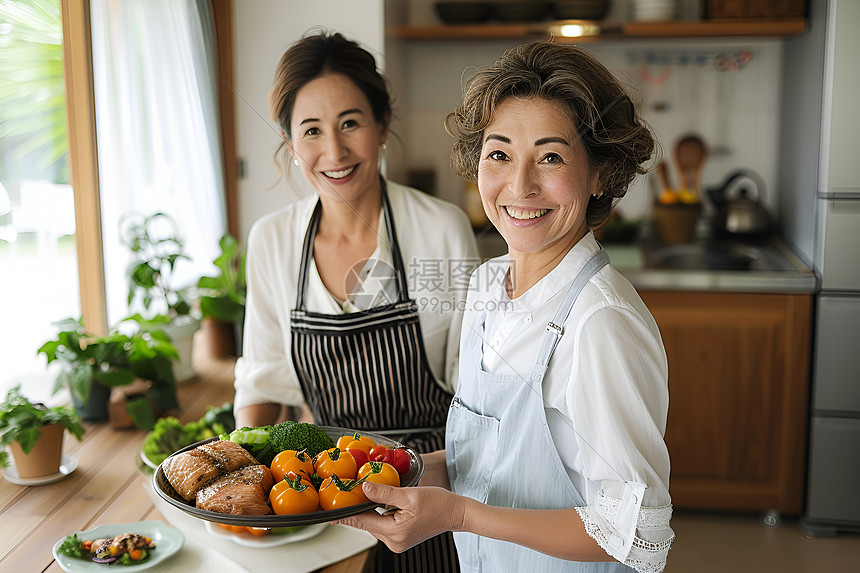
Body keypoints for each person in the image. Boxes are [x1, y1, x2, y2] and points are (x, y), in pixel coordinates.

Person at [335, 40, 675, 573]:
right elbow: (498, 458)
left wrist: (461, 516)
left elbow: (636, 532)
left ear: (601, 173)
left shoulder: (600, 323)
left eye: (551, 157)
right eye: (499, 154)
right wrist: (406, 473)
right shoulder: (489, 285)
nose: (519, 185)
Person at [232, 30, 479, 571]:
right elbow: (263, 379)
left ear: (382, 127)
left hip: (433, 489)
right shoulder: (272, 240)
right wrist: (245, 492)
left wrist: (419, 481)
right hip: (323, 502)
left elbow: (476, 389)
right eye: (311, 130)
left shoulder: (440, 229)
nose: (335, 152)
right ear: (290, 143)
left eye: (351, 123)